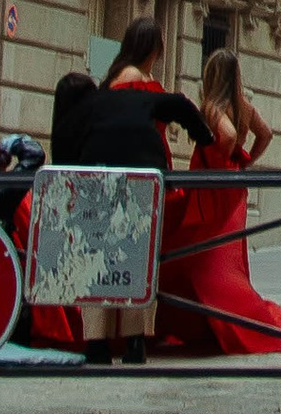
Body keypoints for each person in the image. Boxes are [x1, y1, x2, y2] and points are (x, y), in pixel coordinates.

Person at [60, 18, 206, 367]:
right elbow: (181, 110)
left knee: (97, 253)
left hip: (98, 175)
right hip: (143, 173)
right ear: (154, 50)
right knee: (137, 253)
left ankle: (96, 341)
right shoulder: (146, 87)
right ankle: (134, 341)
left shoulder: (107, 84)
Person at [162, 49, 281, 357]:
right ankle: (221, 316)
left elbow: (228, 134)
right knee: (225, 254)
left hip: (211, 185)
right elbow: (266, 134)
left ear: (211, 76)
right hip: (233, 186)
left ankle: (213, 315)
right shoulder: (244, 106)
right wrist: (243, 162)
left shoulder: (211, 107)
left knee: (199, 254)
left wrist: (221, 155)